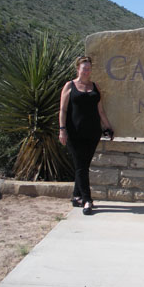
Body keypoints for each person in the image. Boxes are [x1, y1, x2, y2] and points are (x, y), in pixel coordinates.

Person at [59, 56, 114, 215]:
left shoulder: (95, 86)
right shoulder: (70, 86)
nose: (87, 71)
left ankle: (76, 196)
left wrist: (108, 127)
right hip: (74, 133)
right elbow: (63, 110)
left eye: (89, 68)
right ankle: (87, 200)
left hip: (92, 133)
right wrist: (62, 129)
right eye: (84, 68)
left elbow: (100, 110)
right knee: (81, 166)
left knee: (82, 166)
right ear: (78, 69)